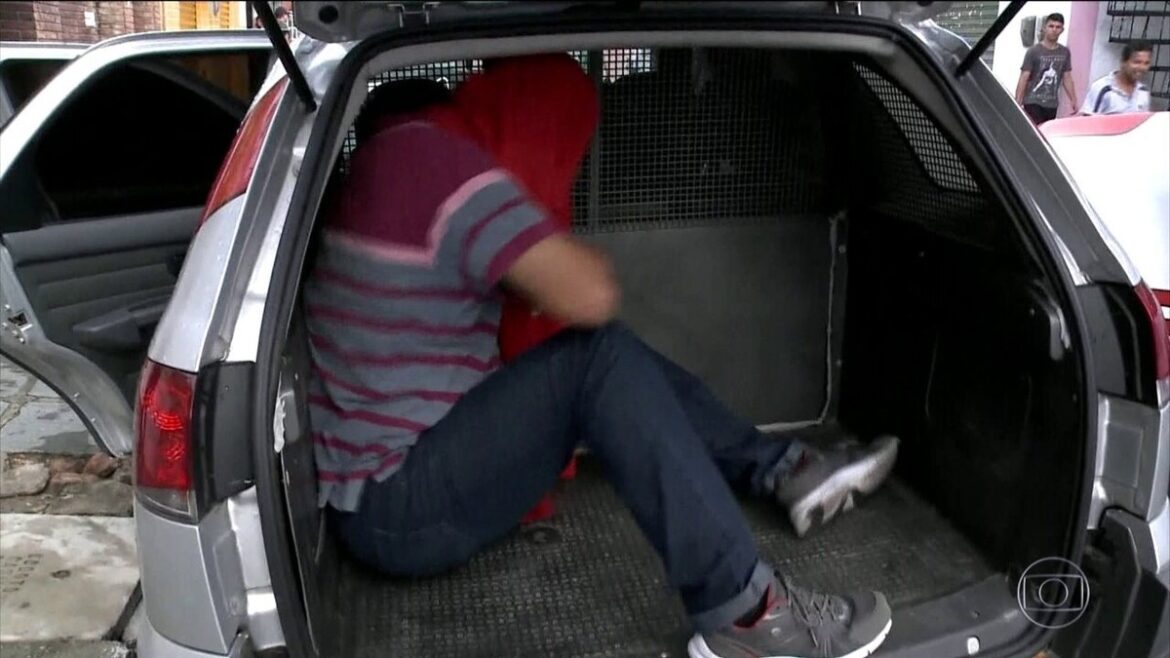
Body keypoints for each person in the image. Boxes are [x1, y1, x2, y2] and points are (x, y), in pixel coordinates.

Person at [305, 53, 900, 658]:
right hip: (402, 504)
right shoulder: (430, 160)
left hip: (383, 499)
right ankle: (749, 617)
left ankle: (785, 468)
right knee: (598, 357)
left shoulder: (372, 170)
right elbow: (591, 295)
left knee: (599, 356)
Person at [1016, 13, 1077, 125]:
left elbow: (1067, 77)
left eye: (1058, 27)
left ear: (1062, 30)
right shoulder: (1033, 51)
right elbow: (1024, 77)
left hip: (1051, 103)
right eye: (1051, 26)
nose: (1054, 30)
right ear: (1044, 28)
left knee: (1046, 131)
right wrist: (1017, 102)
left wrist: (1073, 100)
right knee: (1036, 130)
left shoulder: (1064, 52)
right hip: (1033, 101)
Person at [1080, 41, 1154, 115]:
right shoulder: (1103, 88)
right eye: (1137, 62)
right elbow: (1087, 119)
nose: (1142, 67)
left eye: (1146, 63)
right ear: (1123, 62)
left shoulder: (1143, 91)